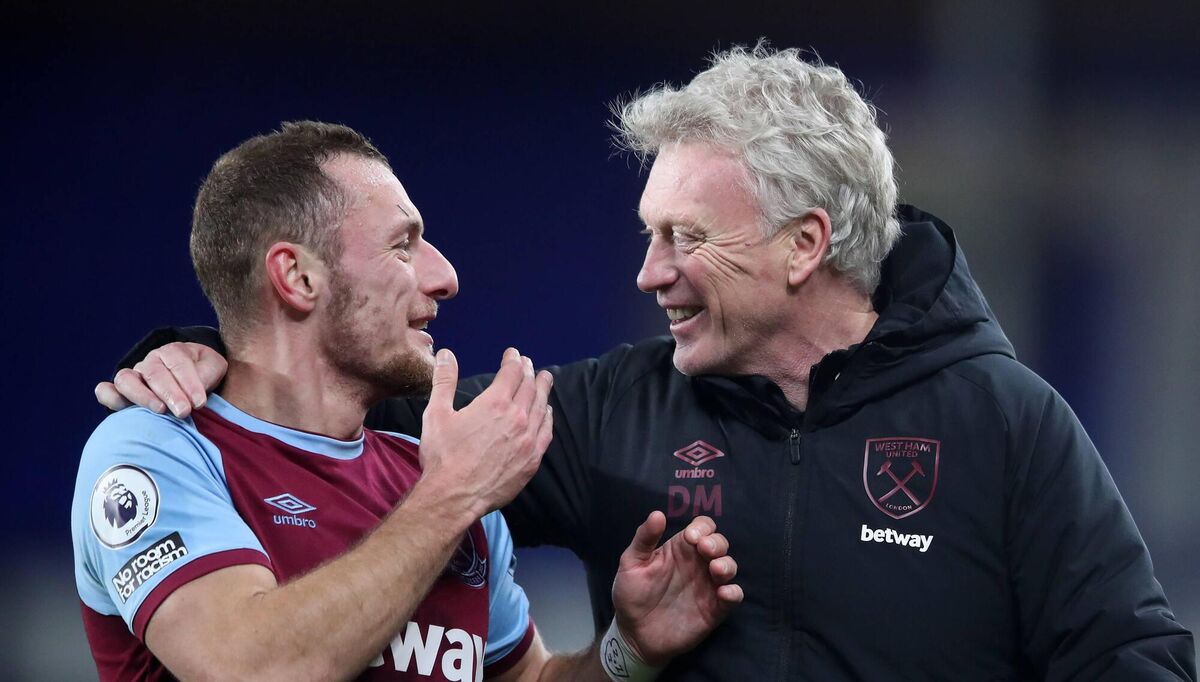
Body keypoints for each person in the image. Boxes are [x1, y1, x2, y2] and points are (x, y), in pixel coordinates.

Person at [98, 47, 1196, 680]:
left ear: (804, 245)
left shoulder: (1006, 423)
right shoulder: (606, 414)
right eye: (647, 233)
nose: (649, 272)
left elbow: (1132, 657)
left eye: (683, 237)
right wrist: (208, 356)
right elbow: (341, 412)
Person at [74, 121, 743, 681]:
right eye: (402, 247)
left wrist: (630, 650)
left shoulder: (431, 473)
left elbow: (529, 678)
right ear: (297, 277)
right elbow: (251, 669)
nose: (445, 277)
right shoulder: (157, 450)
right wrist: (452, 496)